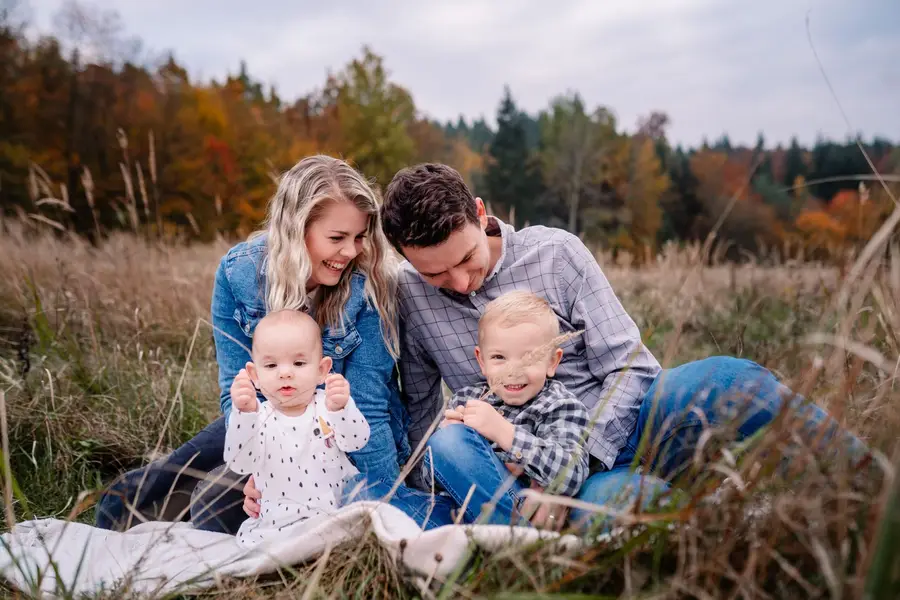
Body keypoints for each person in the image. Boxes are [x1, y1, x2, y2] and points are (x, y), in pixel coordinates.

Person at [375, 162, 871, 531]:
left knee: (731, 379)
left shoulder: (555, 253)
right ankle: (704, 526)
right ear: (406, 259)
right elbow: (421, 412)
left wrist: (575, 464)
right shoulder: (411, 295)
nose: (460, 282)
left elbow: (629, 364)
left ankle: (869, 487)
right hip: (537, 467)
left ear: (480, 213)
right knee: (628, 510)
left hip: (629, 425)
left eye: (466, 258)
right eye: (436, 274)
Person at [95, 155, 413, 535]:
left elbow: (368, 407)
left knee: (212, 508)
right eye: (337, 238)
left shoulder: (368, 286)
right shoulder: (239, 274)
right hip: (267, 420)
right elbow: (238, 392)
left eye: (359, 237)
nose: (351, 251)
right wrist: (261, 470)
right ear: (296, 229)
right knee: (185, 467)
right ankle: (137, 501)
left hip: (332, 432)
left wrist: (388, 503)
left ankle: (193, 499)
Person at [429, 290, 590, 526]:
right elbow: (430, 480)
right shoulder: (466, 399)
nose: (513, 371)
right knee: (381, 499)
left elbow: (572, 475)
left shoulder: (560, 405)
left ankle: (515, 535)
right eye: (499, 358)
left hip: (523, 509)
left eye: (529, 358)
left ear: (552, 362)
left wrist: (504, 432)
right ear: (481, 361)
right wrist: (450, 437)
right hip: (458, 510)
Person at [224, 309, 369, 546]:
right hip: (278, 526)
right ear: (254, 375)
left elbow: (357, 442)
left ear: (322, 371)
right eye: (271, 365)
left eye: (299, 363)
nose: (285, 373)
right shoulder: (256, 417)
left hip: (336, 517)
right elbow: (240, 464)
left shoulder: (327, 405)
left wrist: (343, 408)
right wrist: (244, 415)